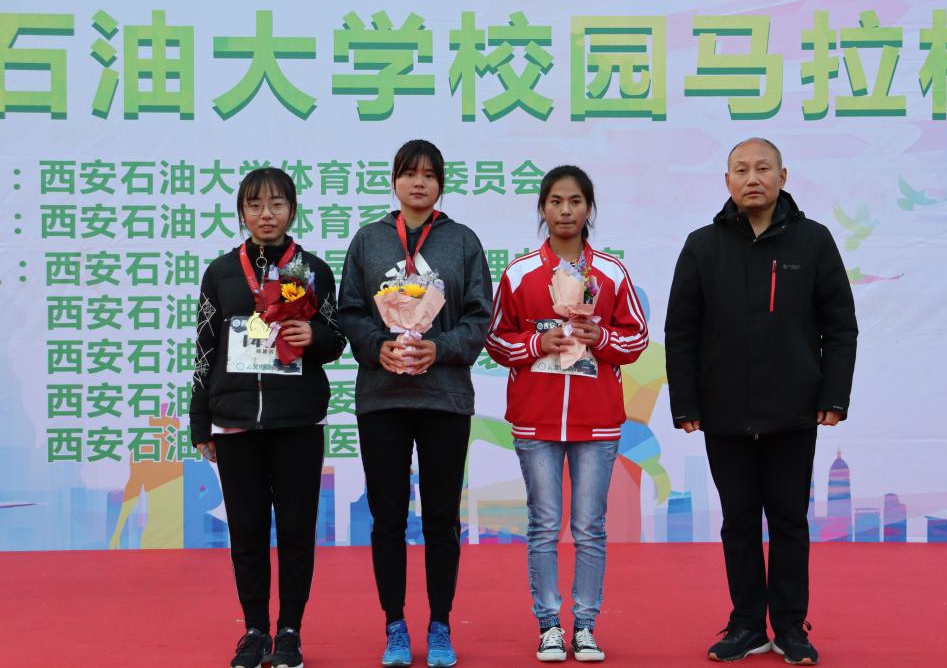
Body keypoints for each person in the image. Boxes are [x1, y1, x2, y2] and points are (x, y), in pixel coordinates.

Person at [665, 138, 857, 666]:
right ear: (727, 181)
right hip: (724, 409)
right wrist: (686, 403)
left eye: (763, 168)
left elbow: (841, 326)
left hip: (795, 409)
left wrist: (834, 394)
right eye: (741, 170)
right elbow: (681, 332)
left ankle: (791, 626)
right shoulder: (702, 245)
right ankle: (747, 624)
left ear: (783, 177)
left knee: (790, 521)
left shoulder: (813, 241)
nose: (753, 178)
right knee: (739, 521)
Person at [337, 139, 493, 668]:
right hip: (382, 398)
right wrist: (375, 346)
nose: (418, 182)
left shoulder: (462, 241)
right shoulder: (369, 240)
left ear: (441, 183)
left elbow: (479, 317)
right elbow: (349, 311)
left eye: (428, 174)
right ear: (395, 181)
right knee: (387, 519)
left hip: (444, 398)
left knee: (441, 520)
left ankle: (441, 625)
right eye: (409, 173)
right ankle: (395, 626)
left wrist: (439, 348)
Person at [486, 165, 649, 663]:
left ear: (588, 209)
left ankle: (586, 626)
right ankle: (549, 626)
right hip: (535, 419)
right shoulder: (519, 273)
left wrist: (602, 337)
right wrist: (538, 343)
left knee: (589, 528)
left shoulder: (612, 273)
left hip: (596, 420)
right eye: (555, 201)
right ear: (542, 208)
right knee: (543, 524)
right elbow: (495, 340)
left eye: (575, 201)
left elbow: (637, 338)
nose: (565, 210)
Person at [189, 167, 345, 668]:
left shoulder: (312, 269)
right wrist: (200, 422)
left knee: (297, 532)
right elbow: (205, 349)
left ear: (292, 210)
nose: (266, 214)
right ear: (242, 213)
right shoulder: (221, 272)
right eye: (255, 205)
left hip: (298, 420)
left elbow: (336, 338)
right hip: (235, 421)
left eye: (277, 204)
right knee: (247, 534)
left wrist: (313, 337)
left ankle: (290, 632)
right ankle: (254, 630)